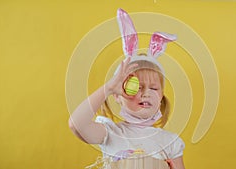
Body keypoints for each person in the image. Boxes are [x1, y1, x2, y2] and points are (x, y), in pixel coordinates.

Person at [68, 8, 185, 169]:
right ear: (118, 95)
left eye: (154, 88)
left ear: (161, 96)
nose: (145, 94)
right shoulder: (110, 133)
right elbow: (76, 124)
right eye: (136, 87)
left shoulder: (171, 143)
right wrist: (108, 88)